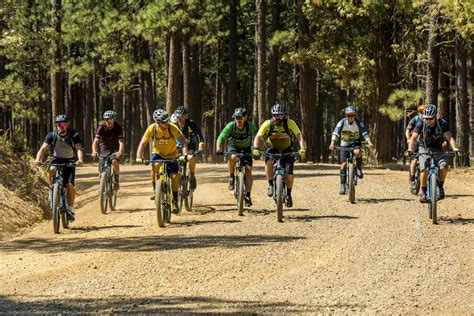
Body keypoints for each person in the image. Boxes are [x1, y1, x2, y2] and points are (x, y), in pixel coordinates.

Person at [253, 103, 306, 208]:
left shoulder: (290, 123)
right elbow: (258, 136)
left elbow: (299, 136)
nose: (278, 118)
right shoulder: (268, 123)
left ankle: (289, 195)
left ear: (284, 115)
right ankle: (271, 185)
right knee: (268, 162)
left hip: (287, 149)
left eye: (280, 115)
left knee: (289, 173)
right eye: (276, 115)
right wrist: (255, 148)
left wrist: (302, 148)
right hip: (272, 148)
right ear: (272, 115)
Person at [33, 114, 84, 221]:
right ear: (56, 125)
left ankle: (70, 209)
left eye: (64, 124)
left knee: (70, 185)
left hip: (69, 160)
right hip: (56, 159)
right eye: (59, 124)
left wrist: (80, 159)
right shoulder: (52, 135)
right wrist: (38, 159)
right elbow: (43, 148)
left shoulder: (73, 134)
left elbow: (79, 147)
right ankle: (51, 188)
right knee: (51, 169)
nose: (62, 126)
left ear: (67, 125)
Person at [135, 109, 188, 212]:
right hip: (158, 153)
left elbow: (183, 141)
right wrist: (138, 157)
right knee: (154, 165)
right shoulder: (152, 128)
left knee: (174, 176)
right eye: (164, 122)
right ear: (158, 122)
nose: (167, 123)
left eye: (167, 121)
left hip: (172, 154)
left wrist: (184, 154)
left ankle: (175, 201)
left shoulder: (172, 127)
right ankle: (156, 189)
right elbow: (142, 143)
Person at [406, 104, 460, 203]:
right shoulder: (421, 123)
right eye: (426, 118)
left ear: (435, 116)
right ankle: (423, 193)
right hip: (424, 148)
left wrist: (454, 148)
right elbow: (413, 137)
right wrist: (410, 149)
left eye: (430, 118)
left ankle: (440, 187)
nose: (428, 120)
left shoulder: (442, 123)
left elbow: (449, 137)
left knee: (443, 166)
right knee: (423, 169)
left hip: (438, 148)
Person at [216, 107, 258, 207]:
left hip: (246, 148)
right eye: (236, 117)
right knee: (233, 157)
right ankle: (231, 176)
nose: (238, 120)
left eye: (241, 117)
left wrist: (257, 149)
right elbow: (221, 137)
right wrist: (218, 148)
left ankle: (248, 195)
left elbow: (258, 136)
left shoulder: (250, 126)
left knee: (248, 170)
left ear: (245, 118)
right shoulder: (231, 126)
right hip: (233, 146)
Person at [329, 105, 374, 195]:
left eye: (352, 115)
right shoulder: (342, 122)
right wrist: (332, 143)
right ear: (346, 115)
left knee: (358, 152)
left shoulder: (358, 122)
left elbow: (364, 132)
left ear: (355, 115)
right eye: (349, 115)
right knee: (343, 165)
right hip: (344, 143)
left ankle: (359, 168)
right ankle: (343, 185)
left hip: (355, 142)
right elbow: (336, 132)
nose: (350, 117)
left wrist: (369, 142)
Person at [173, 106, 205, 190]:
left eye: (183, 116)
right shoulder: (173, 124)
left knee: (191, 158)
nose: (181, 118)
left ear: (185, 116)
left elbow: (198, 134)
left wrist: (200, 145)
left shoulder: (190, 123)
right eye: (179, 117)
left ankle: (192, 176)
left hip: (190, 146)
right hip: (177, 147)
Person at [91, 110, 124, 190]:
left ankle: (116, 180)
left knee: (114, 161)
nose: (108, 121)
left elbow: (121, 141)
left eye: (110, 119)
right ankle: (102, 188)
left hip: (114, 149)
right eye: (106, 119)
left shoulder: (118, 127)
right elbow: (96, 141)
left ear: (114, 119)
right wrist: (94, 151)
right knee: (100, 172)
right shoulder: (101, 127)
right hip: (104, 149)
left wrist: (120, 152)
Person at [405, 104, 425, 192]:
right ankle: (412, 179)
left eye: (424, 113)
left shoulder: (428, 120)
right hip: (414, 142)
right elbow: (407, 130)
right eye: (421, 113)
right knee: (414, 160)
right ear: (418, 113)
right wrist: (408, 139)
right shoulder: (415, 119)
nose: (422, 115)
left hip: (424, 143)